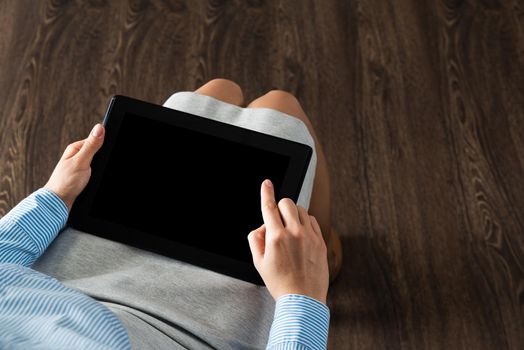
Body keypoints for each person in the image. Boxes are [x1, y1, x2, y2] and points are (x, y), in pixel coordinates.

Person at [0, 79, 342, 349]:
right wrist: (302, 296)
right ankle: (323, 251)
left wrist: (55, 196)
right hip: (199, 330)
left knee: (216, 90)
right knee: (281, 105)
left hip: (76, 272)